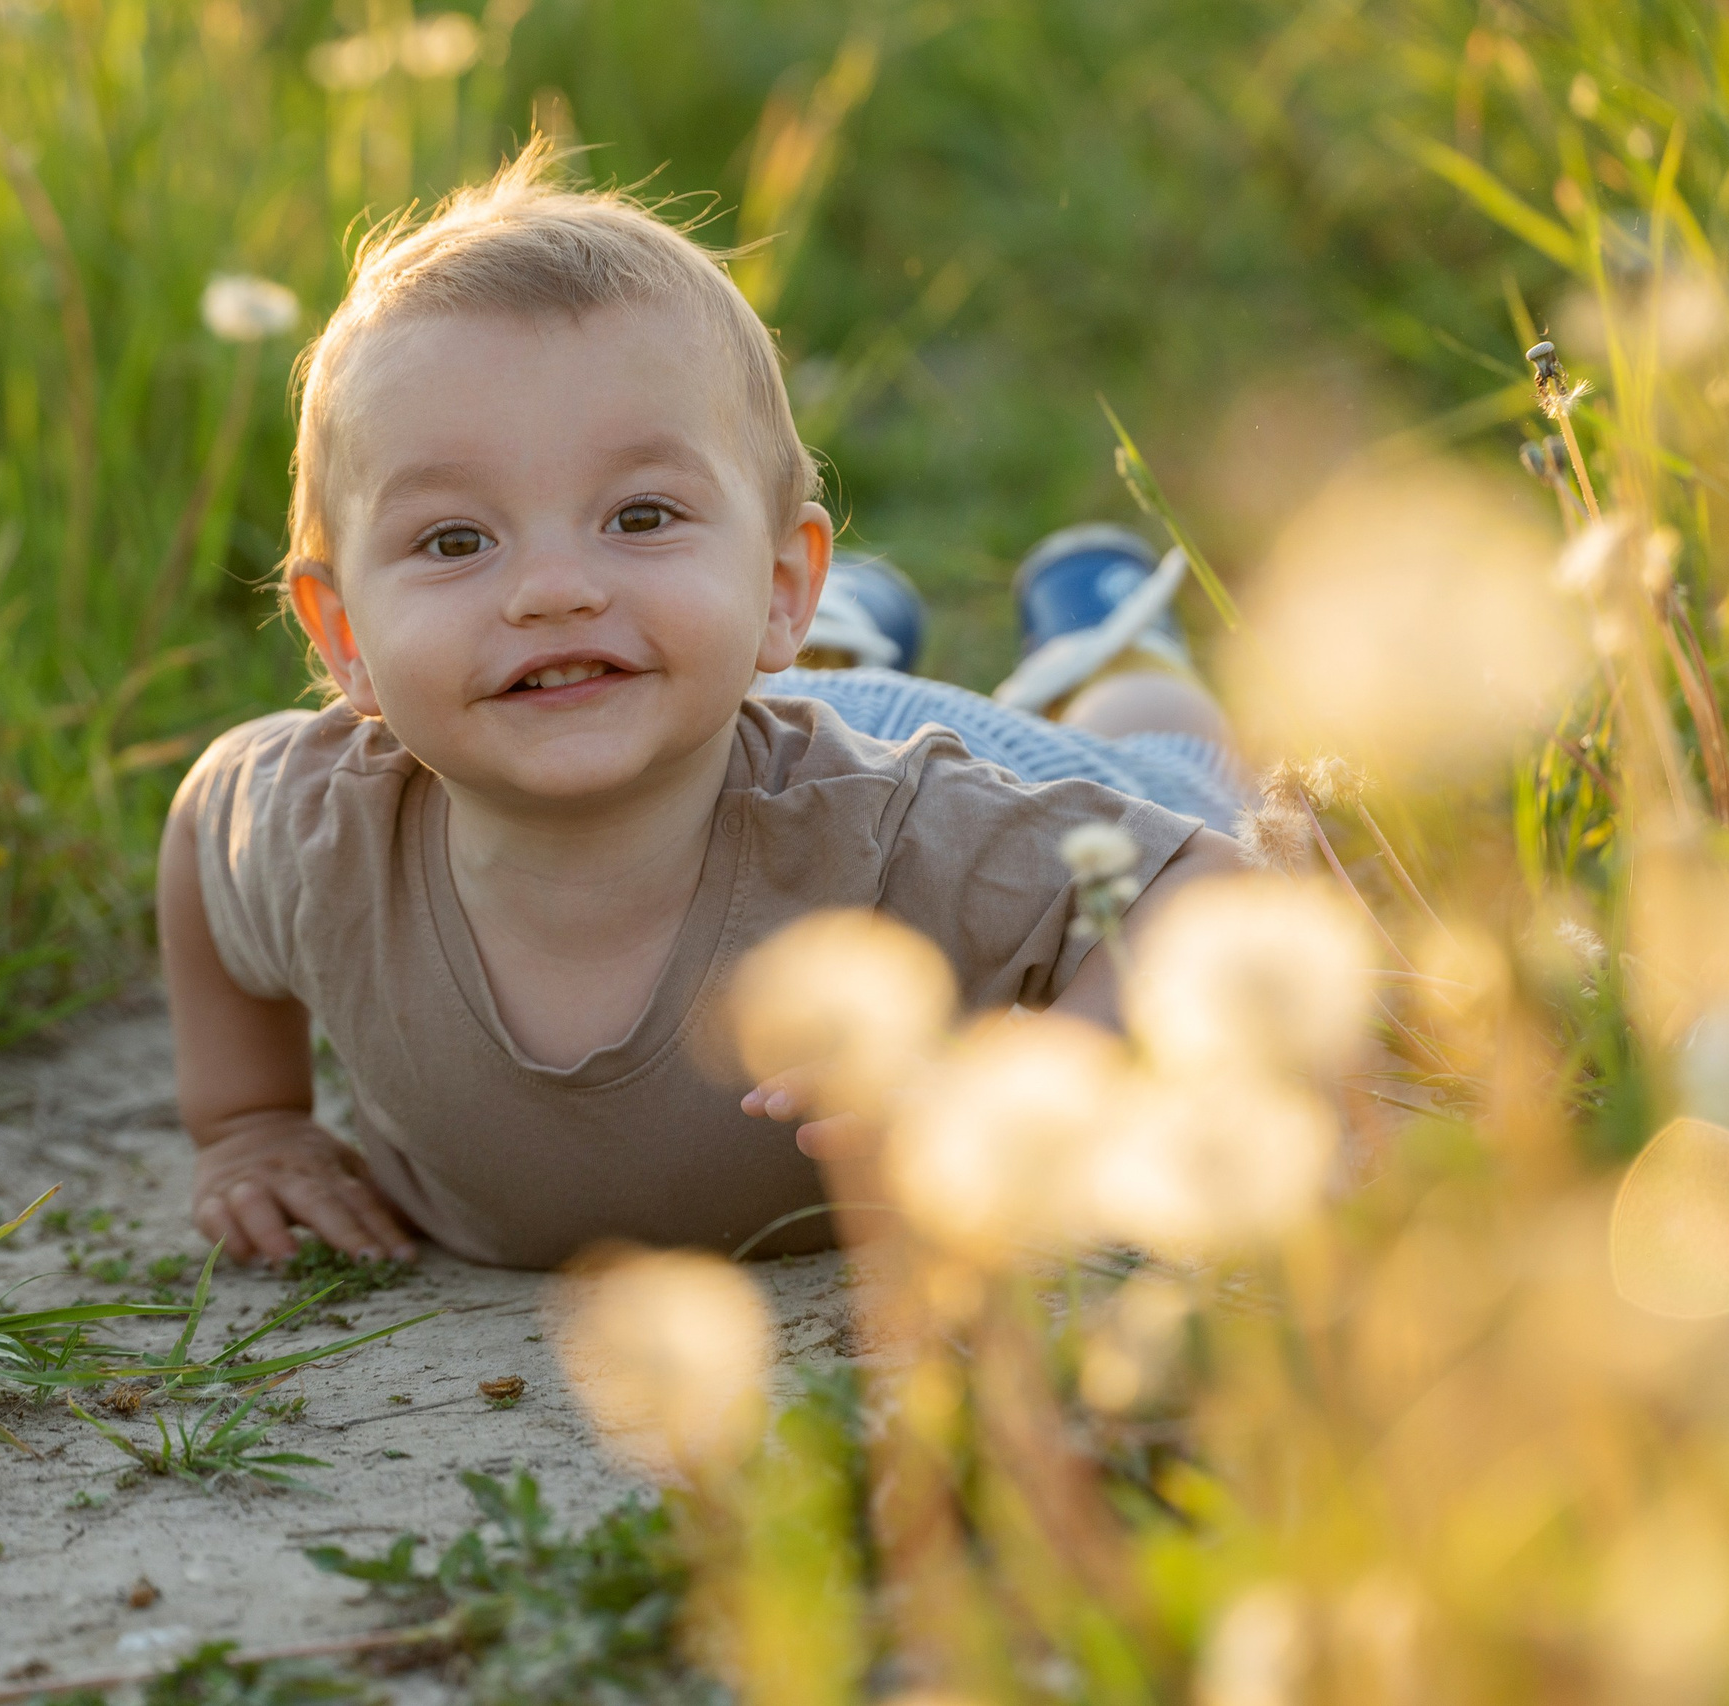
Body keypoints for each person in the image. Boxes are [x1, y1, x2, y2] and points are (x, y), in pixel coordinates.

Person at [157, 143, 1246, 1271]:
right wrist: (249, 1121)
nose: (553, 589)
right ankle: (832, 616)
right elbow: (203, 828)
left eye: (638, 516)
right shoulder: (323, 834)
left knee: (1176, 773)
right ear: (343, 639)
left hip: (904, 733)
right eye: (454, 540)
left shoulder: (889, 836)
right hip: (708, 674)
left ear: (777, 583)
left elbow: (1203, 885)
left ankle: (1113, 651)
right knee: (661, 641)